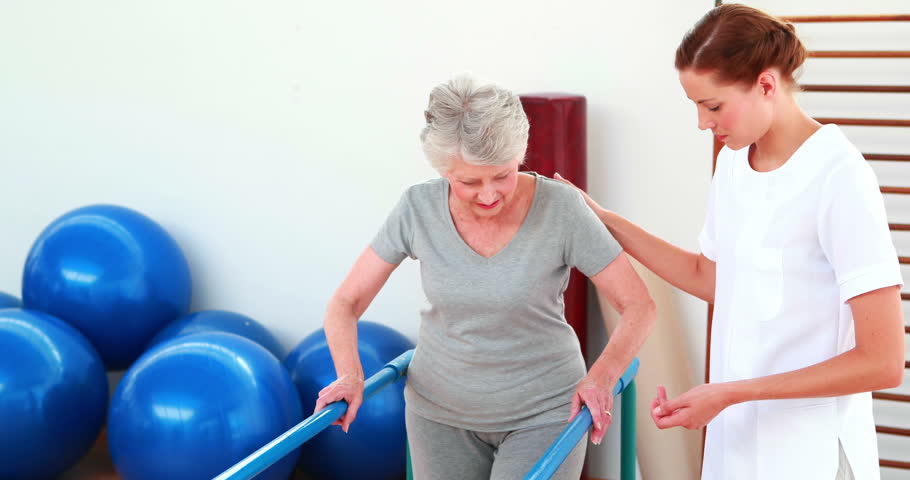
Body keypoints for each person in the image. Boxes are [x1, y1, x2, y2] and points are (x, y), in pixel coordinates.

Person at [557, 4, 904, 479]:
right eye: (696, 106)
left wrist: (729, 392)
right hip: (736, 443)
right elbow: (713, 278)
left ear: (766, 84)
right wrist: (604, 219)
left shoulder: (838, 176)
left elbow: (883, 362)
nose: (703, 123)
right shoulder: (733, 165)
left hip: (812, 452)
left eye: (713, 106)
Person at [313, 74, 656, 479]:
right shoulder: (417, 208)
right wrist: (350, 375)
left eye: (503, 176)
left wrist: (601, 377)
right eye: (468, 182)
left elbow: (639, 305)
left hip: (544, 412)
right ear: (444, 170)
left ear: (519, 157)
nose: (489, 194)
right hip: (438, 415)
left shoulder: (562, 209)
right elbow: (345, 302)